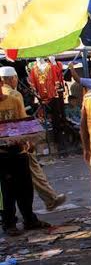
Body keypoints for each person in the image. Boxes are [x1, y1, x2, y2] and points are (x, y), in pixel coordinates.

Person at [1, 66, 67, 211]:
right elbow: (21, 120)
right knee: (33, 171)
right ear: (11, 79)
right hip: (18, 142)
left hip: (5, 145)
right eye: (16, 78)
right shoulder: (14, 95)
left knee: (9, 184)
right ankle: (50, 200)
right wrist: (28, 141)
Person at [0, 83, 50, 236]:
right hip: (2, 154)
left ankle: (29, 220)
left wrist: (29, 141)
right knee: (7, 190)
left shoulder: (14, 100)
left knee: (25, 188)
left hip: (19, 150)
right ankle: (9, 223)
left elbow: (23, 123)